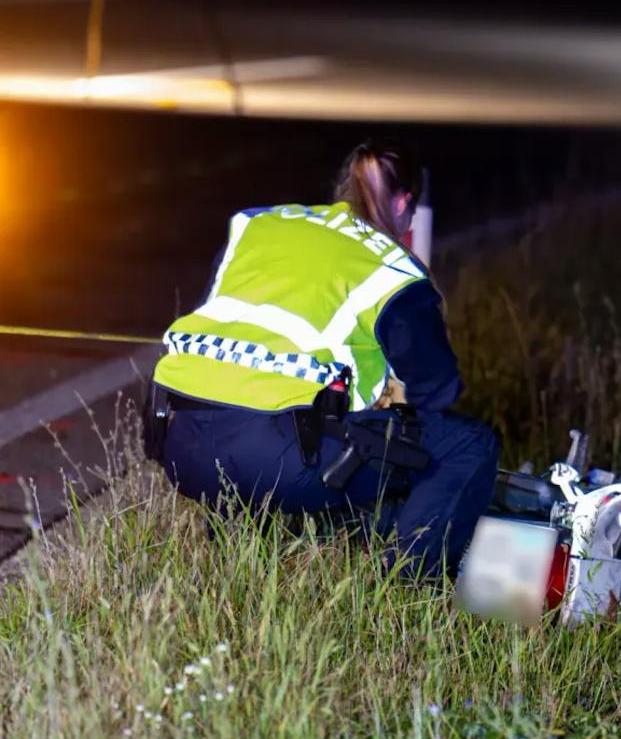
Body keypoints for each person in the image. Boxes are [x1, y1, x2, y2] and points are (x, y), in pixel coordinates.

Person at [147, 139, 499, 580]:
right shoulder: (392, 266)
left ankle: (232, 566)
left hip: (181, 445)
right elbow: (437, 389)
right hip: (274, 456)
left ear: (342, 189)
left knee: (278, 421)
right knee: (467, 445)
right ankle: (407, 590)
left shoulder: (258, 224)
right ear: (405, 204)